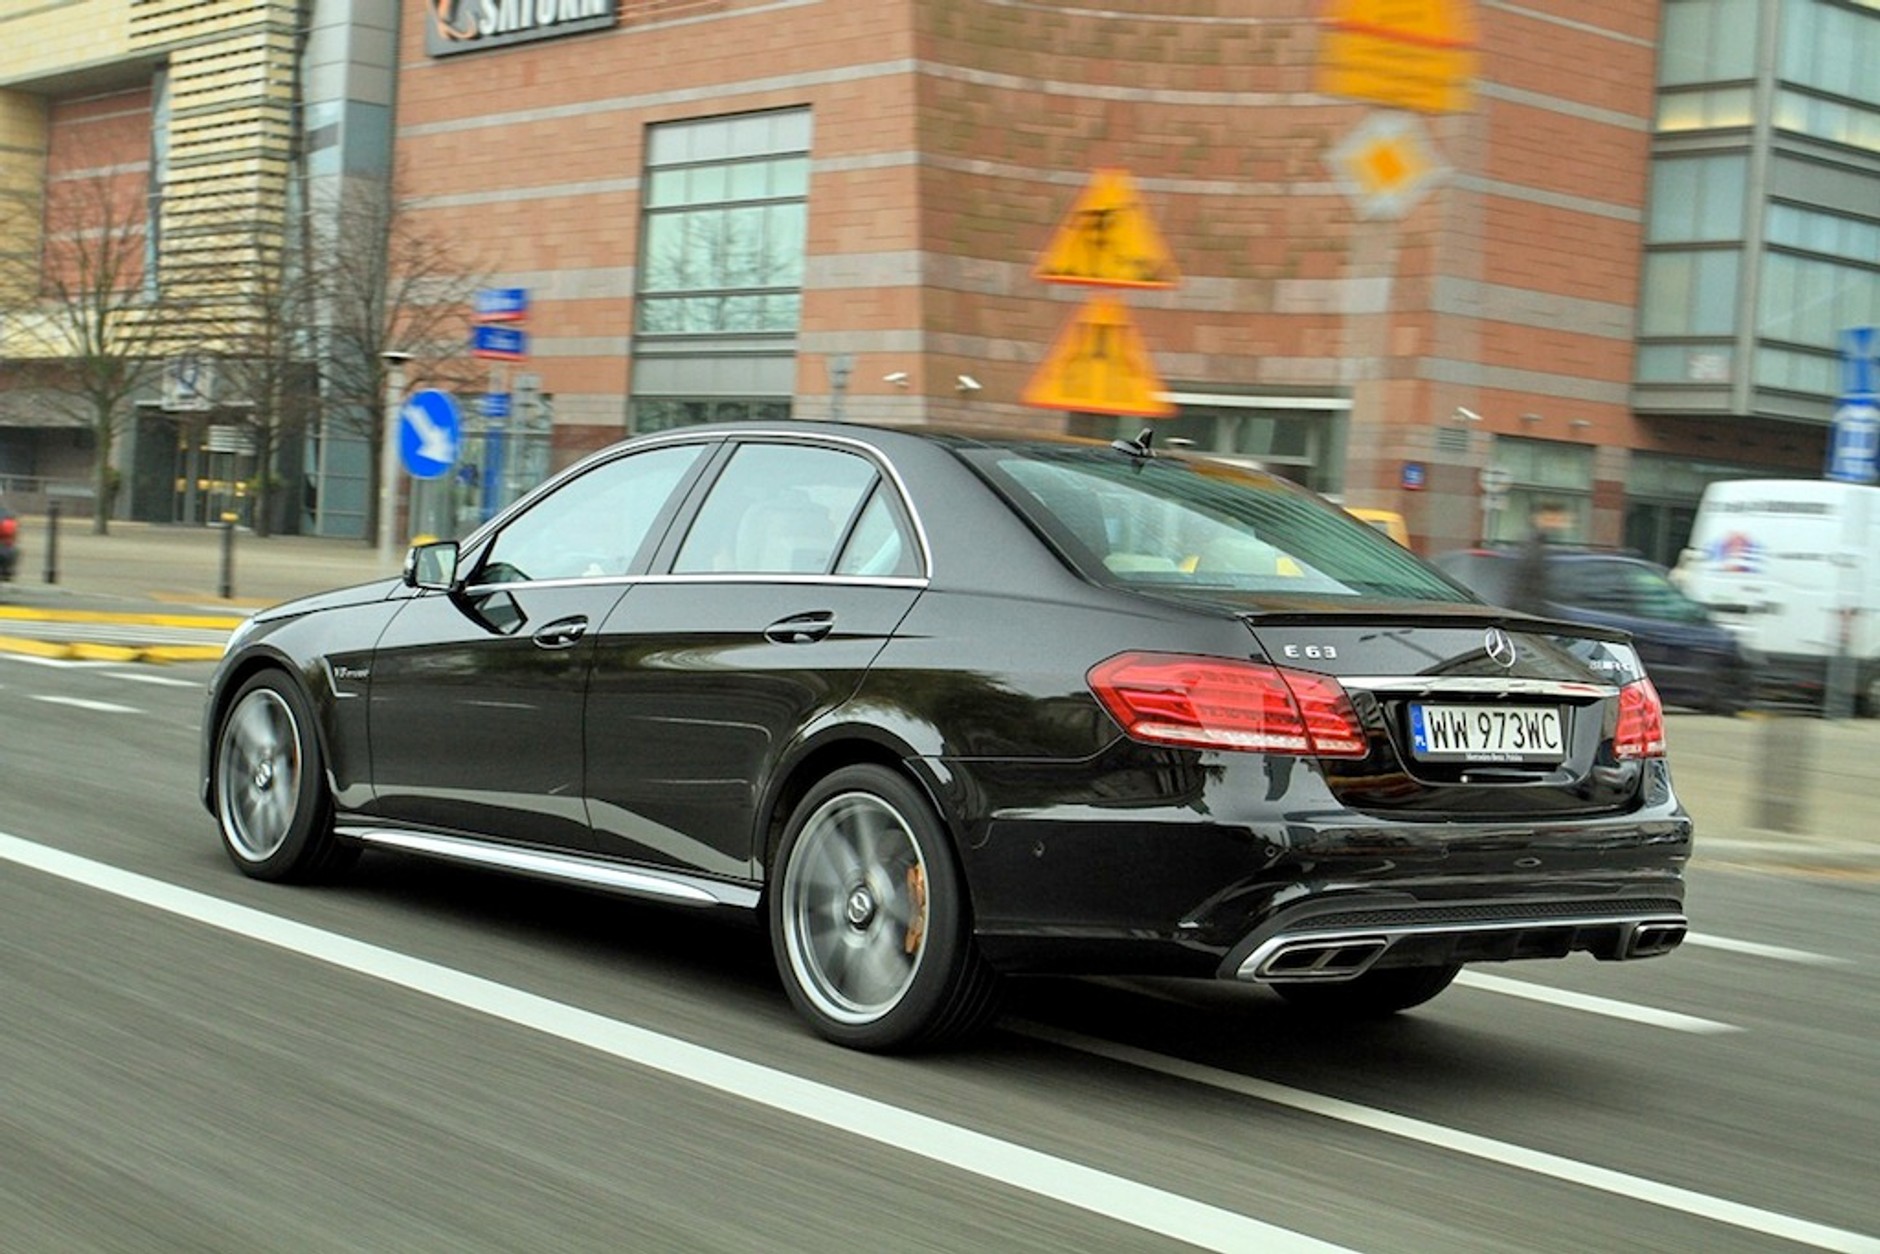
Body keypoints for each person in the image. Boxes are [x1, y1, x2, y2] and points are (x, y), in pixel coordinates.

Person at [1510, 500, 1569, 613]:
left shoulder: (1540, 541)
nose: (1558, 523)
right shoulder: (1533, 544)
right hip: (1530, 608)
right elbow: (1527, 579)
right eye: (1552, 518)